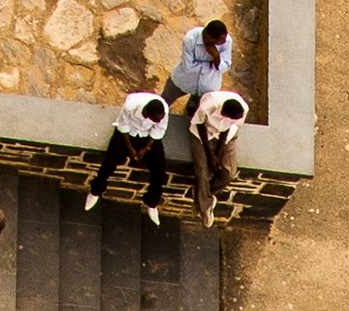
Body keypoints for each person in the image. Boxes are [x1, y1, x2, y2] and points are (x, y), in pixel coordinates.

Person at [85, 92, 171, 226]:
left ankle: (152, 202)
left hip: (147, 136)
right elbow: (123, 126)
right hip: (127, 133)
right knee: (109, 163)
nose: (158, 121)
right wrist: (130, 148)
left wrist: (145, 149)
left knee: (160, 172)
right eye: (155, 119)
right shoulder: (130, 105)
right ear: (146, 112)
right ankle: (95, 191)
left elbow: (158, 131)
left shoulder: (163, 110)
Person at [191, 88, 247, 226]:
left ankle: (201, 195)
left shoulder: (242, 109)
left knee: (228, 173)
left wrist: (218, 153)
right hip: (202, 134)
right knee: (202, 172)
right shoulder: (208, 105)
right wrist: (210, 155)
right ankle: (206, 207)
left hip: (225, 137)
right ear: (224, 112)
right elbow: (199, 125)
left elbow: (228, 128)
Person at [165, 17, 231, 110]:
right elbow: (188, 67)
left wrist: (216, 55)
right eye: (218, 42)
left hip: (207, 84)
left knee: (195, 107)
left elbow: (225, 66)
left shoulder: (226, 41)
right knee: (165, 100)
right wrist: (211, 65)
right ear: (208, 37)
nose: (223, 43)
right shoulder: (190, 39)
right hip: (184, 80)